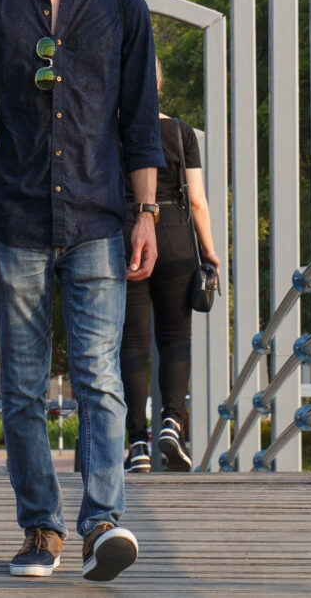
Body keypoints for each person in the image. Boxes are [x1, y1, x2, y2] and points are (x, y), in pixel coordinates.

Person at [0, 0, 163, 583]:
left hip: (101, 219)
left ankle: (102, 521)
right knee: (20, 386)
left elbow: (140, 125)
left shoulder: (122, 9)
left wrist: (146, 214)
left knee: (100, 380)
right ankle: (39, 527)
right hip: (13, 220)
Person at [122, 100, 217, 473]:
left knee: (133, 344)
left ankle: (137, 444)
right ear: (158, 86)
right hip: (176, 233)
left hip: (127, 233)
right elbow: (196, 199)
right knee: (175, 336)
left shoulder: (112, 130)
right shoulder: (181, 132)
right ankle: (172, 424)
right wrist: (209, 251)